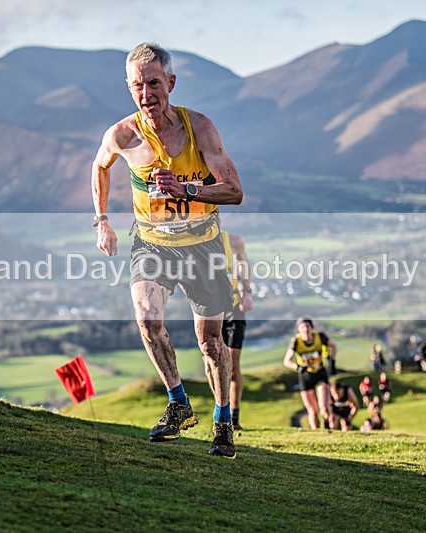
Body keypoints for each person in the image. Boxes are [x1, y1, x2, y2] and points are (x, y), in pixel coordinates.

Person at [91, 42, 243, 459]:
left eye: (153, 83)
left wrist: (187, 188)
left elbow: (234, 191)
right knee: (146, 318)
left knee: (210, 343)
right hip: (152, 243)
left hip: (202, 244)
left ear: (170, 83)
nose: (146, 94)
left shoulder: (201, 129)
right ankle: (178, 403)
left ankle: (223, 421)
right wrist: (101, 219)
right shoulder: (122, 134)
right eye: (137, 85)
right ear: (129, 88)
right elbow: (100, 165)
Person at [219, 228, 254, 430]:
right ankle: (220, 412)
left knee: (231, 366)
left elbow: (244, 264)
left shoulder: (233, 241)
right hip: (210, 307)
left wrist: (247, 292)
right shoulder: (193, 239)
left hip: (234, 306)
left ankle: (234, 417)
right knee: (212, 363)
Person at [283, 317, 337, 430]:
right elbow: (286, 361)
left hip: (320, 374)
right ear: (298, 329)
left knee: (324, 407)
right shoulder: (296, 342)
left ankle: (328, 427)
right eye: (302, 327)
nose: (305, 329)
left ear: (312, 328)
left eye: (308, 327)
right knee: (313, 411)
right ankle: (315, 433)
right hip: (305, 376)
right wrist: (297, 367)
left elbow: (333, 346)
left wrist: (332, 360)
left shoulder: (320, 337)